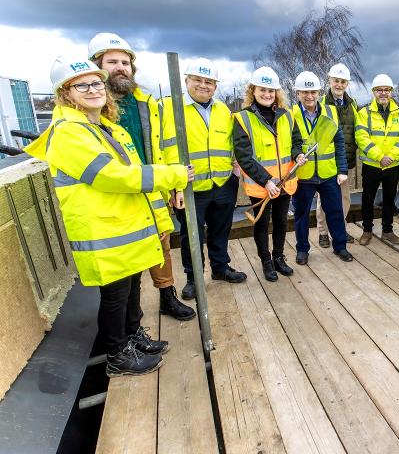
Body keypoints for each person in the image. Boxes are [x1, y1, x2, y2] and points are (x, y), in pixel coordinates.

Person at [25, 57, 193, 376]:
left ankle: (132, 338)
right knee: (114, 297)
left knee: (130, 290)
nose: (93, 90)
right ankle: (117, 355)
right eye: (82, 85)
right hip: (104, 231)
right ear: (65, 93)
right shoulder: (68, 133)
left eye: (97, 83)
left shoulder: (103, 127)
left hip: (123, 226)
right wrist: (171, 175)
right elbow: (113, 176)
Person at [88, 32, 195, 321]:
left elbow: (166, 145)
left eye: (125, 62)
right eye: (112, 62)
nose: (120, 67)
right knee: (128, 254)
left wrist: (176, 185)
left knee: (162, 243)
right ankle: (130, 318)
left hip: (153, 184)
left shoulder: (146, 103)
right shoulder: (92, 105)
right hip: (119, 191)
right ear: (97, 67)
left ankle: (166, 297)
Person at [162, 58, 247, 300]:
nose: (203, 85)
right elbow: (163, 148)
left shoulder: (223, 110)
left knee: (221, 230)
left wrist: (234, 167)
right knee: (192, 235)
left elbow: (231, 143)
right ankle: (193, 277)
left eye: (209, 82)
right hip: (189, 187)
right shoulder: (170, 109)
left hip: (222, 183)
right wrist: (174, 185)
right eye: (198, 80)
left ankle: (220, 268)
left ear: (215, 86)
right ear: (186, 80)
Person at [233, 67, 306, 282]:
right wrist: (266, 181)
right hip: (261, 186)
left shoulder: (287, 116)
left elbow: (296, 142)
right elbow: (244, 156)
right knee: (262, 224)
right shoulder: (242, 119)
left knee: (282, 222)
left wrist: (299, 154)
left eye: (271, 91)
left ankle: (279, 257)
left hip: (284, 183)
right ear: (253, 91)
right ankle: (266, 260)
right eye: (263, 90)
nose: (267, 94)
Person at [290, 71, 354, 265]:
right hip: (304, 175)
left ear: (319, 92)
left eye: (313, 92)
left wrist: (342, 170)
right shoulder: (291, 114)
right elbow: (290, 143)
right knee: (301, 214)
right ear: (298, 93)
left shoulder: (330, 111)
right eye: (305, 92)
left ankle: (340, 246)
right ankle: (302, 250)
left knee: (334, 211)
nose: (309, 97)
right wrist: (296, 155)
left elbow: (340, 142)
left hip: (328, 174)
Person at [356, 74, 399, 245]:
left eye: (386, 90)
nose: (383, 93)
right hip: (372, 164)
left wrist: (392, 156)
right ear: (374, 92)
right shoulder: (364, 113)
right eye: (379, 90)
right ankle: (367, 231)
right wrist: (380, 157)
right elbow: (361, 136)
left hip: (392, 165)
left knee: (389, 199)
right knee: (368, 199)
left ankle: (387, 231)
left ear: (391, 92)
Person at [317, 63, 358, 247]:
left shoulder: (352, 104)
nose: (339, 84)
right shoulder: (321, 104)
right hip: (326, 161)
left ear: (347, 84)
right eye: (336, 81)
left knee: (344, 198)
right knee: (323, 200)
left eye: (343, 81)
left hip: (344, 160)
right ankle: (323, 232)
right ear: (330, 81)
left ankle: (340, 229)